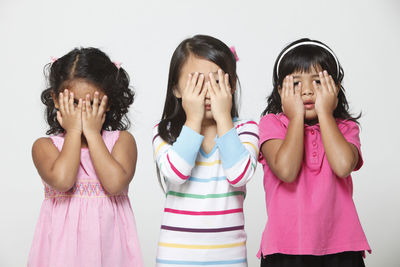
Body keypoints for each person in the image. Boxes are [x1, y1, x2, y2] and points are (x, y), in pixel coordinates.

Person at [258, 38, 371, 267]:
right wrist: (296, 116)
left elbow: (342, 165)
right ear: (281, 90)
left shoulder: (346, 128)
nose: (307, 90)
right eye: (296, 83)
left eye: (318, 81)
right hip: (284, 249)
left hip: (342, 248)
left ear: (335, 88)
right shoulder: (271, 125)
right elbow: (286, 171)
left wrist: (326, 114)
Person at [28, 47, 143, 267]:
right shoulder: (45, 147)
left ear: (107, 103)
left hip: (111, 252)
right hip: (62, 255)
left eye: (92, 104)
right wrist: (72, 132)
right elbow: (63, 181)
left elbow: (115, 184)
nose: (82, 113)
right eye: (73, 103)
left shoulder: (121, 141)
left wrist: (92, 134)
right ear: (55, 99)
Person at [153, 35, 259, 266]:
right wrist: (193, 118)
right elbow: (176, 173)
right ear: (177, 89)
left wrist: (223, 117)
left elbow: (239, 175)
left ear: (230, 86)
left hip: (229, 258)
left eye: (217, 82)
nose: (208, 92)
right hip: (175, 258)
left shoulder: (245, 130)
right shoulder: (166, 132)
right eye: (197, 83)